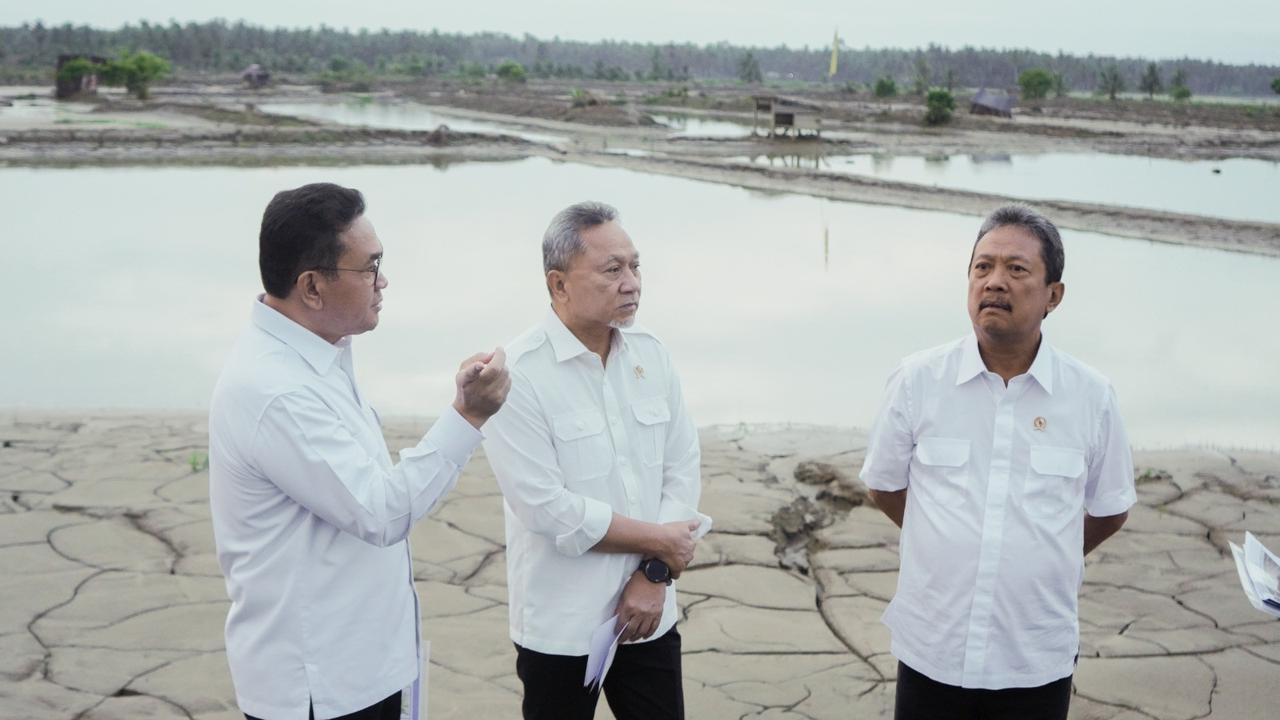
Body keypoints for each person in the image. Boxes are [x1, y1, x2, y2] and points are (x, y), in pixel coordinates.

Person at [208, 182, 510, 720]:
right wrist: (467, 416)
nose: (383, 281)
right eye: (369, 267)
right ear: (312, 287)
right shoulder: (276, 389)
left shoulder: (318, 353)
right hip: (319, 686)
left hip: (364, 669)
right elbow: (382, 511)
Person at [859, 204, 1135, 720]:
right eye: (982, 267)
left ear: (1054, 295)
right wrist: (944, 538)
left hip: (1034, 655)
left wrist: (1038, 550)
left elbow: (1111, 508)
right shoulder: (919, 380)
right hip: (933, 649)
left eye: (1016, 269)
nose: (994, 282)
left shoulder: (1091, 396)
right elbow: (884, 485)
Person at [482, 201, 710, 720]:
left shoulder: (652, 354)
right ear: (558, 284)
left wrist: (655, 574)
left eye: (635, 266)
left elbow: (682, 466)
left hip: (651, 612)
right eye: (612, 270)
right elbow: (546, 509)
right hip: (561, 625)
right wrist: (661, 542)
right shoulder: (517, 375)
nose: (631, 282)